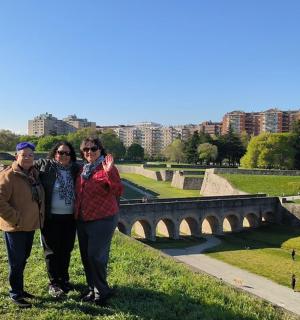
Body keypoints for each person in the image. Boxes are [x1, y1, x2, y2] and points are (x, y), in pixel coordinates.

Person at [75, 137, 123, 305]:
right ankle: (91, 289)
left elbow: (117, 190)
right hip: (83, 219)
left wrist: (110, 172)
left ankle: (102, 291)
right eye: (86, 149)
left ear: (100, 150)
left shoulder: (107, 167)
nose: (89, 152)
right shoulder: (83, 169)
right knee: (86, 257)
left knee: (96, 257)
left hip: (103, 218)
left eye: (93, 149)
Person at [0, 142, 45, 308]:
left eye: (30, 155)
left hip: (28, 226)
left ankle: (19, 289)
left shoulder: (32, 173)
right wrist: (16, 218)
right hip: (16, 227)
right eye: (23, 155)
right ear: (16, 156)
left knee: (22, 259)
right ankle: (15, 293)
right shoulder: (9, 175)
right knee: (16, 261)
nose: (27, 158)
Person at [35, 141, 79, 298]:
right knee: (52, 251)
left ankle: (64, 279)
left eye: (67, 153)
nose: (63, 156)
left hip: (70, 217)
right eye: (60, 152)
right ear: (55, 153)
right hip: (51, 217)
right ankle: (54, 283)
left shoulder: (75, 168)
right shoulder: (46, 166)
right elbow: (27, 165)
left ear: (71, 155)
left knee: (66, 249)